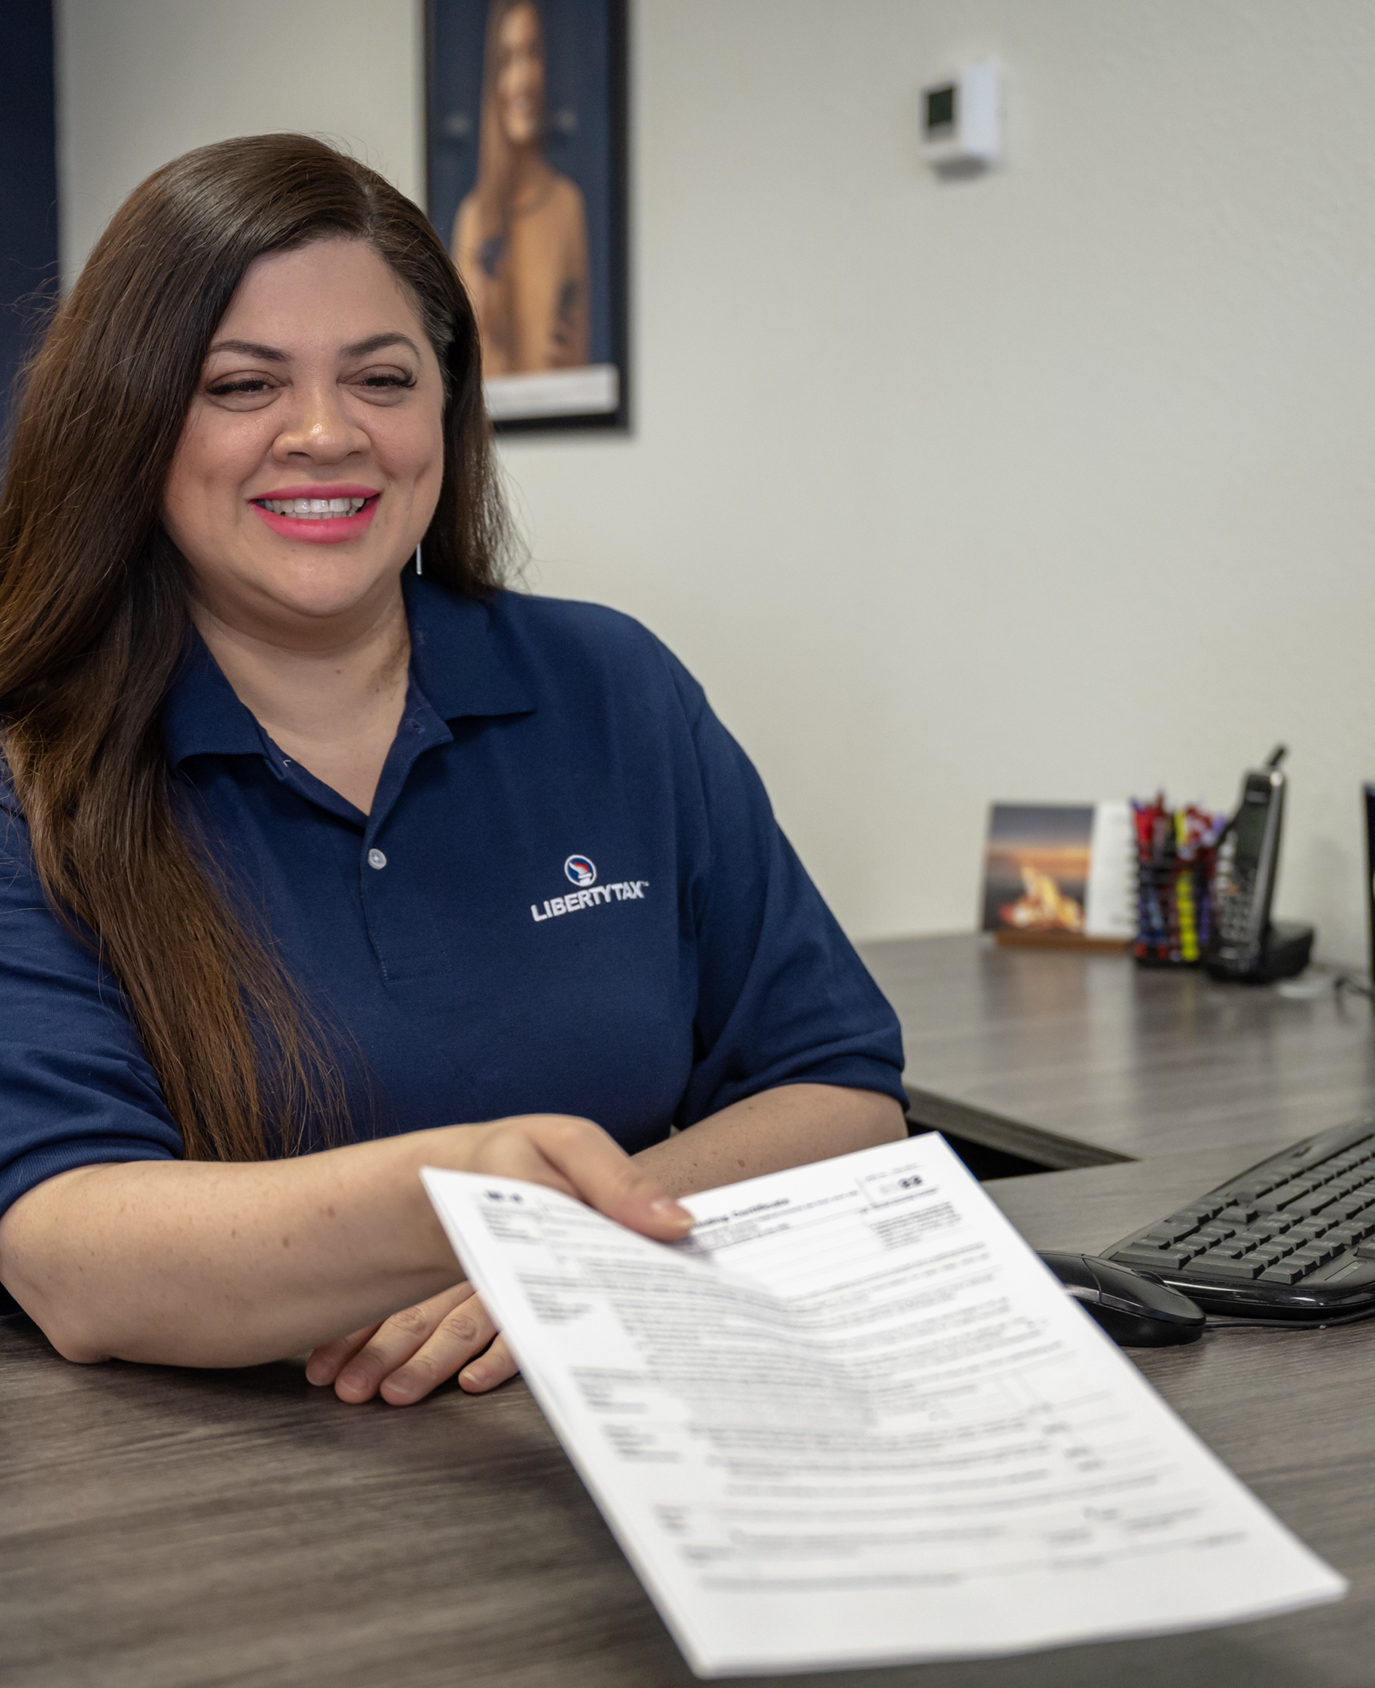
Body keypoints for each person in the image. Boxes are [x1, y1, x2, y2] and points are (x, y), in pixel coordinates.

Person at [0, 135, 906, 1407]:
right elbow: (72, 1253)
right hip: (237, 1480)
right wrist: (465, 1203)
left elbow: (843, 1091)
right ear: (131, 420)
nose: (326, 433)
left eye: (381, 377)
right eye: (243, 385)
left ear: (446, 406)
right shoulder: (31, 770)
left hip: (628, 1425)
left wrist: (565, 1248)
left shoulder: (610, 683)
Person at [451, 0, 591, 373]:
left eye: (532, 54)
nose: (522, 80)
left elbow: (578, 357)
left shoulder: (567, 206)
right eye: (508, 59)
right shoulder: (472, 218)